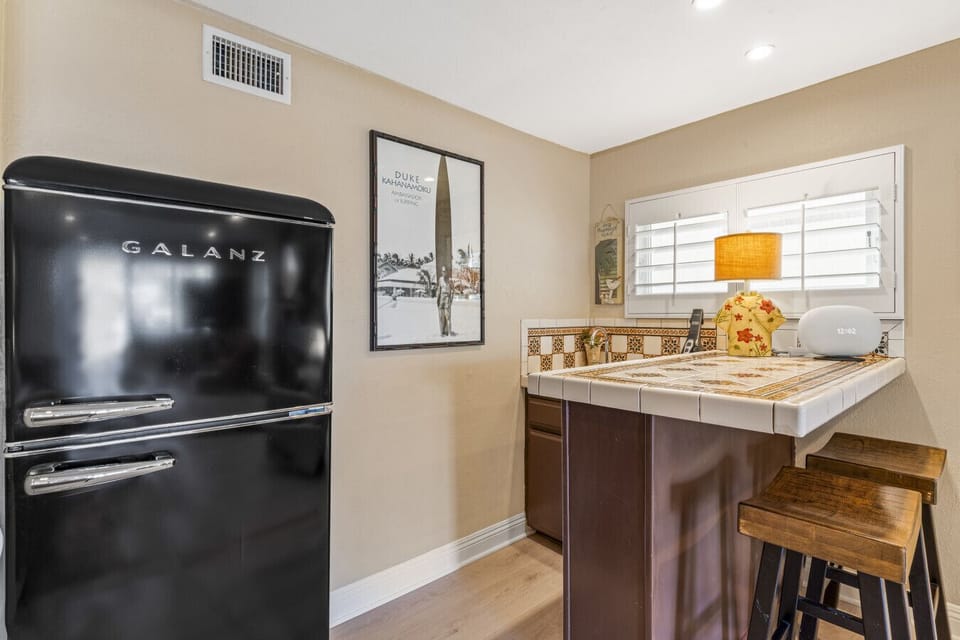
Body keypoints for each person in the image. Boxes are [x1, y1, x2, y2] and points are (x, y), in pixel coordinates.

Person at [437, 266, 453, 336]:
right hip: (441, 298)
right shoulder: (440, 279)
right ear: (441, 272)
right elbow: (439, 289)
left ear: (447, 272)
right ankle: (441, 333)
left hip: (447, 298)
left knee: (448, 317)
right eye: (442, 271)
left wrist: (451, 300)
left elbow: (452, 290)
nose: (444, 272)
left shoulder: (449, 280)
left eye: (445, 271)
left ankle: (449, 333)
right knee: (441, 317)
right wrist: (437, 299)